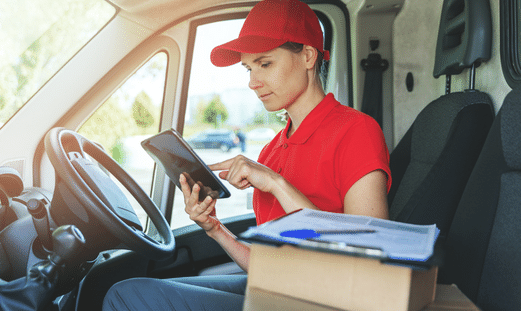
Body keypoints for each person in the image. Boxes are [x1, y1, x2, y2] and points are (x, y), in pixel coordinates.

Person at [102, 0, 391, 310]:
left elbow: (368, 257)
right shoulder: (272, 150)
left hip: (326, 299)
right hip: (281, 288)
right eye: (248, 68)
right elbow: (267, 266)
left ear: (308, 56)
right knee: (132, 288)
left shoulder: (356, 131)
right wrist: (214, 228)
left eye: (265, 64)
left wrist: (277, 184)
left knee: (127, 297)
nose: (253, 82)